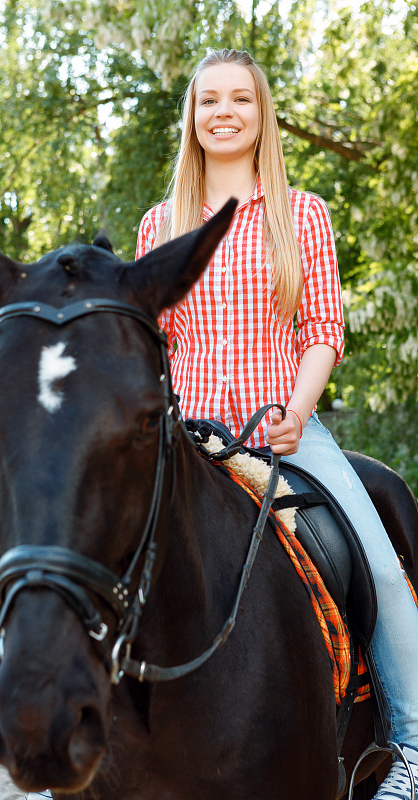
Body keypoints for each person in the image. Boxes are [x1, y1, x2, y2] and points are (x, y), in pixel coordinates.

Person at [135, 48, 418, 799]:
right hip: (186, 437)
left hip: (284, 428)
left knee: (387, 574)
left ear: (261, 117)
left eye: (240, 100)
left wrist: (296, 412)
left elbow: (323, 326)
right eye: (208, 101)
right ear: (191, 118)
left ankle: (414, 751)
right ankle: (66, 742)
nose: (223, 112)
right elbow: (151, 345)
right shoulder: (158, 224)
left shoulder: (304, 214)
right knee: (91, 557)